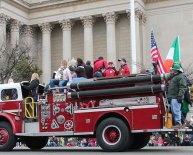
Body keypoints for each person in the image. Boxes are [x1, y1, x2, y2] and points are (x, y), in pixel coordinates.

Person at [167, 63, 187, 129]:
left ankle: (178, 123)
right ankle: (178, 123)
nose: (172, 71)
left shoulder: (181, 76)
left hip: (176, 97)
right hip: (173, 97)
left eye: (173, 69)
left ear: (177, 70)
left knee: (176, 110)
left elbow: (182, 87)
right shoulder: (175, 76)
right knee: (174, 110)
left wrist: (180, 96)